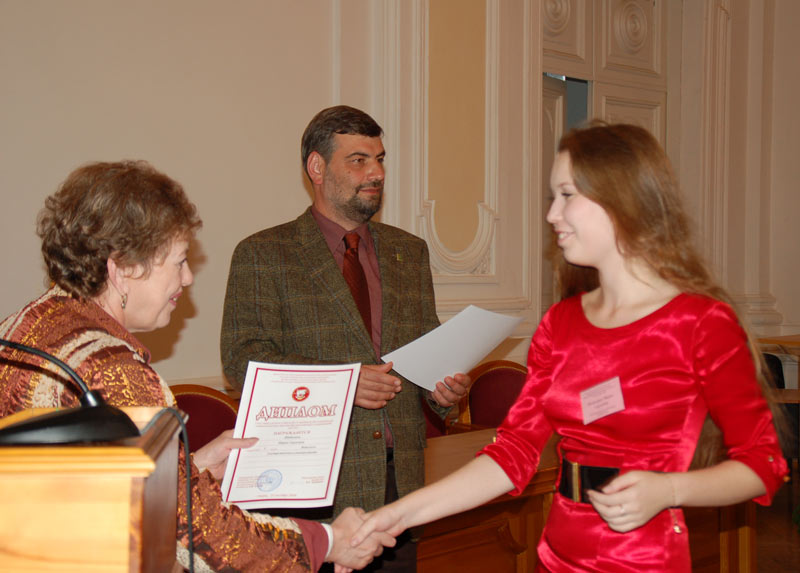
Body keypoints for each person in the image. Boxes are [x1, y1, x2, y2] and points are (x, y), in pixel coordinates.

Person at [349, 122, 789, 572]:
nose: (552, 215)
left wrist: (670, 490)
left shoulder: (699, 323)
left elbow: (764, 464)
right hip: (557, 557)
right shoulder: (560, 324)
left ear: (622, 200)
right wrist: (394, 516)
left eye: (567, 195)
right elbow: (511, 454)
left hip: (644, 559)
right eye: (552, 197)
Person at [0, 160, 394, 573]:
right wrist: (327, 540)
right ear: (122, 269)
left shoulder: (24, 326)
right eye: (178, 261)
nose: (188, 278)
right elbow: (200, 535)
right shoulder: (113, 370)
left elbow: (91, 487)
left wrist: (192, 467)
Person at [220, 105, 471, 571]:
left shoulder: (409, 252)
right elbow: (244, 360)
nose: (376, 173)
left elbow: (425, 351)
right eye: (358, 160)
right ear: (317, 167)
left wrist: (443, 391)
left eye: (379, 160)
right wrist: (342, 382)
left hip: (400, 485)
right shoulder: (263, 254)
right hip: (312, 487)